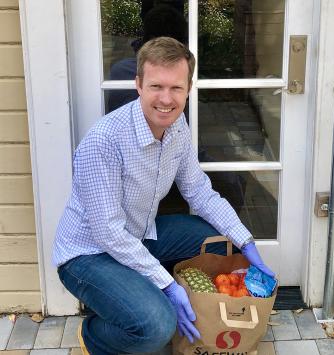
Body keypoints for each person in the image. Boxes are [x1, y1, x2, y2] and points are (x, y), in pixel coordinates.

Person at [53, 37, 275, 355]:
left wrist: (247, 245)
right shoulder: (103, 142)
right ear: (138, 84)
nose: (166, 99)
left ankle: (133, 295)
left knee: (212, 241)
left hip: (140, 235)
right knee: (157, 326)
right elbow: (108, 233)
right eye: (156, 86)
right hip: (88, 254)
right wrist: (167, 285)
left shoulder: (176, 125)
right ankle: (95, 333)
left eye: (176, 88)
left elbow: (199, 191)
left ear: (189, 88)